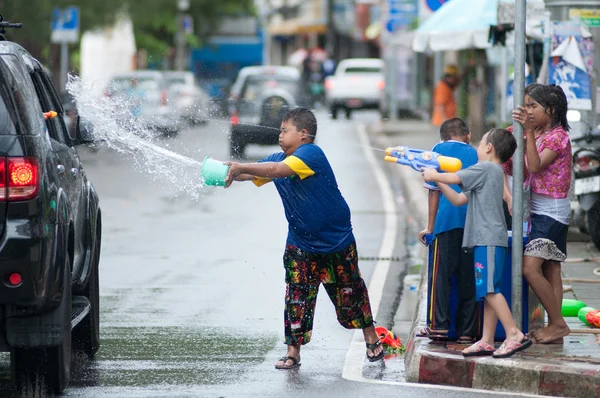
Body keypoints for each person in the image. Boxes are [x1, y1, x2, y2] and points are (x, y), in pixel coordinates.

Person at [224, 107, 384, 369]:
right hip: (301, 241)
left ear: (304, 134)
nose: (280, 134)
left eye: (285, 130)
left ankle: (371, 337)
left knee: (350, 292)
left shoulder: (310, 154)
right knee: (297, 297)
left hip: (336, 240)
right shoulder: (280, 158)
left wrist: (241, 164)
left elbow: (276, 170)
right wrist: (227, 172)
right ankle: (292, 353)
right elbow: (254, 172)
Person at [422, 128, 533, 358]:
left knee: (489, 290)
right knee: (489, 290)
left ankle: (513, 334)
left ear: (489, 148)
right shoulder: (492, 173)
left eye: (481, 144)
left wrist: (434, 176)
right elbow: (457, 198)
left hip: (487, 239)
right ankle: (486, 340)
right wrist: (438, 180)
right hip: (489, 239)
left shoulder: (485, 168)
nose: (478, 148)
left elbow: (454, 177)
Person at [510, 84, 572, 344]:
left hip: (552, 212)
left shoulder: (557, 137)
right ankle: (555, 329)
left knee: (530, 268)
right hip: (543, 209)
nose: (529, 111)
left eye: (534, 106)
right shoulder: (538, 132)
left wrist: (527, 133)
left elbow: (534, 166)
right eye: (527, 105)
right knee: (551, 270)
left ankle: (558, 324)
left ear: (552, 109)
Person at [418, 118, 479, 343]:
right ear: (468, 135)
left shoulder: (437, 151)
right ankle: (467, 331)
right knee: (471, 279)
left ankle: (439, 326)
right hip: (473, 225)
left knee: (441, 279)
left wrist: (430, 227)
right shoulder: (476, 153)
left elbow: (434, 191)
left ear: (442, 137)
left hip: (445, 224)